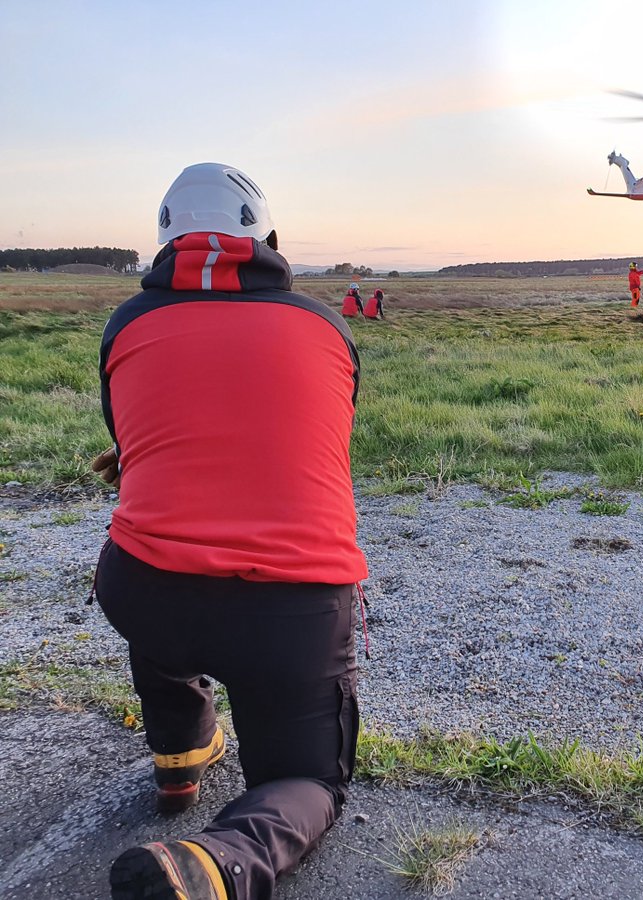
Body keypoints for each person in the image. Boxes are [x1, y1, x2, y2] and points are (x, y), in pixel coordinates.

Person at [91, 162, 368, 900]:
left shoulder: (127, 323)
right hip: (292, 609)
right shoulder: (327, 326)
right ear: (270, 238)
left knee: (148, 540)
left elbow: (127, 439)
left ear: (161, 244)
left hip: (151, 596)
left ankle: (179, 745)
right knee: (307, 777)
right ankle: (219, 863)